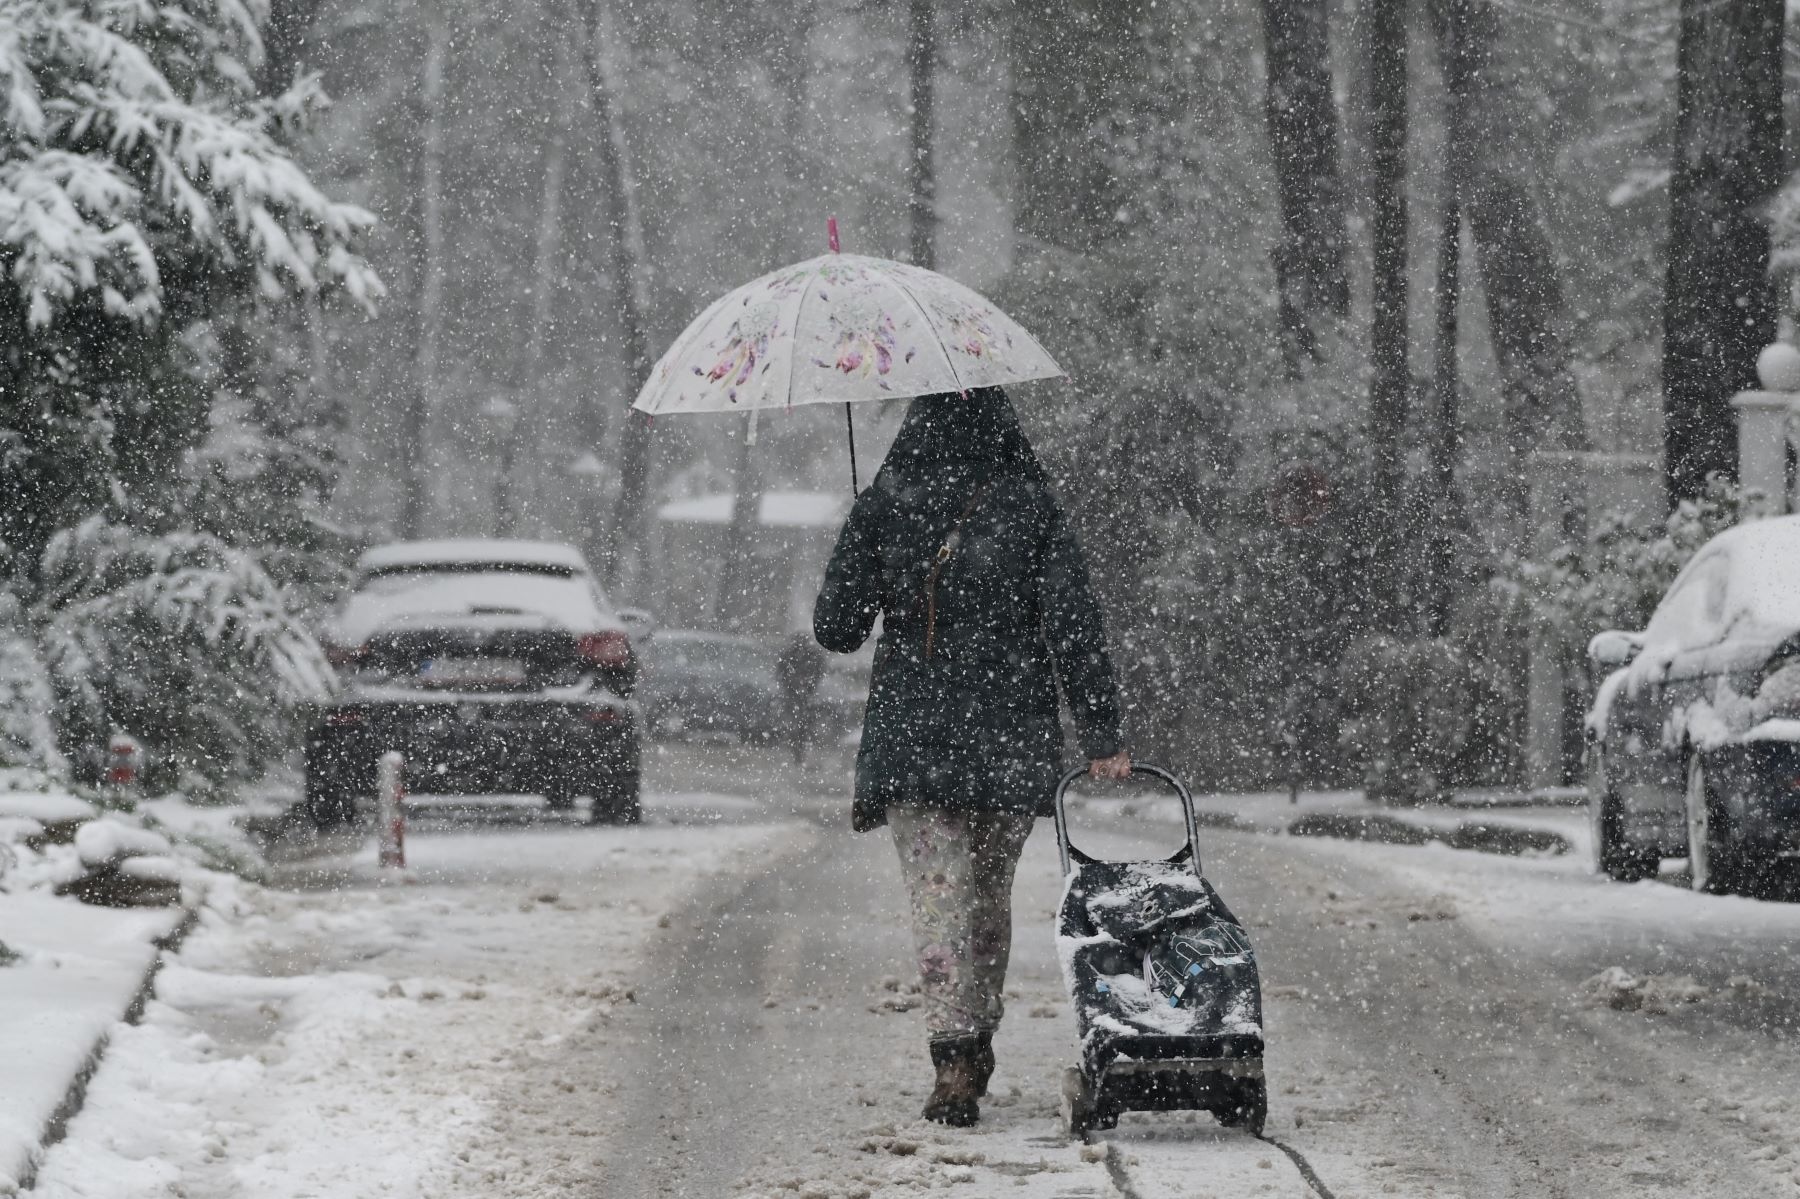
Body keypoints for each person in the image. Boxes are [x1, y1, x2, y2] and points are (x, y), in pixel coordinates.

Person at [813, 387, 1129, 1128]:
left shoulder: (887, 502)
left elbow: (836, 630)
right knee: (987, 898)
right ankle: (975, 1035)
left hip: (915, 740)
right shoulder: (1031, 507)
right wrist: (1102, 730)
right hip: (1011, 737)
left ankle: (953, 1057)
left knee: (938, 900)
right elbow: (1074, 623)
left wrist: (864, 532)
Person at [775, 630, 827, 765]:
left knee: (799, 724)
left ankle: (798, 750)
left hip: (800, 694)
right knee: (801, 724)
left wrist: (800, 683)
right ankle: (799, 750)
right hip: (799, 694)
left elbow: (781, 672)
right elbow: (819, 670)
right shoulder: (808, 655)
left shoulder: (794, 655)